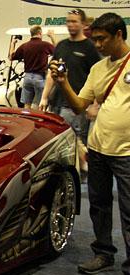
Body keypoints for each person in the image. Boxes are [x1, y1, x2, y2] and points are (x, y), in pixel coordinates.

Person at [49, 12, 130, 275]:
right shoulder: (98, 69)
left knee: (129, 212)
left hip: (126, 152)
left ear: (119, 34)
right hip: (97, 149)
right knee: (99, 205)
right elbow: (80, 106)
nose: (97, 45)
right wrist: (63, 83)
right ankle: (103, 253)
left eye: (102, 39)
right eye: (94, 39)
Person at [39, 9, 100, 175]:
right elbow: (52, 73)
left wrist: (94, 105)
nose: (71, 24)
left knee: (75, 139)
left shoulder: (90, 48)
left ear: (83, 24)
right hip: (57, 103)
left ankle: (81, 173)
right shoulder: (61, 46)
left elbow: (98, 79)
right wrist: (44, 97)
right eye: (68, 21)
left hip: (77, 104)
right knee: (60, 140)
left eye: (74, 21)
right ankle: (71, 172)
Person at [9, 25, 55, 109]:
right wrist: (52, 37)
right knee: (39, 105)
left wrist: (13, 44)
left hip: (27, 77)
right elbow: (58, 51)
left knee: (27, 104)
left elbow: (11, 57)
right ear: (40, 33)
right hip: (40, 77)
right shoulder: (45, 45)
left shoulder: (25, 46)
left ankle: (26, 117)